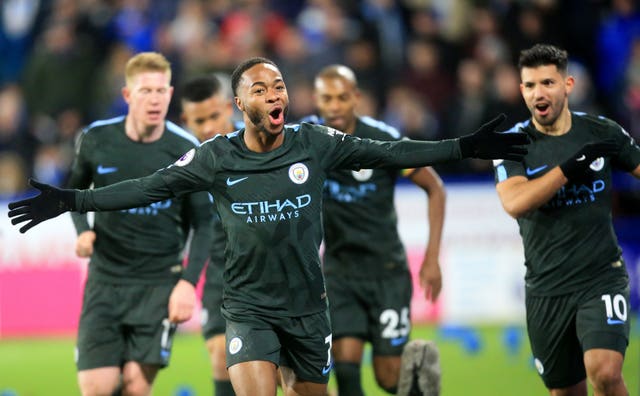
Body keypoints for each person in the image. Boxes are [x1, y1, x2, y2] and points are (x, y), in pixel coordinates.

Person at [8, 56, 529, 396]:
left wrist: (464, 146)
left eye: (279, 86)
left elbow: (391, 151)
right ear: (242, 104)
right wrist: (72, 200)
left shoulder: (314, 143)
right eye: (262, 89)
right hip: (249, 307)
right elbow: (148, 187)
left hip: (307, 306)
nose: (275, 95)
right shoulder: (216, 156)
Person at [493, 44, 640, 396]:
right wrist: (570, 168)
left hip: (601, 276)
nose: (538, 93)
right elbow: (515, 202)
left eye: (547, 82)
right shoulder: (511, 144)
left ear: (568, 85)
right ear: (521, 91)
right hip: (547, 289)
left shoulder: (601, 132)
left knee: (604, 372)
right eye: (530, 86)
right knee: (566, 392)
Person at [67, 52, 213, 396]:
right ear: (128, 95)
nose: (155, 99)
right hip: (106, 280)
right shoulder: (96, 140)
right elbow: (72, 194)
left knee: (135, 386)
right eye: (146, 91)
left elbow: (204, 224)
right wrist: (82, 230)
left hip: (158, 284)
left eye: (161, 91)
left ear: (170, 93)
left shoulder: (185, 149)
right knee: (97, 388)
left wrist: (188, 284)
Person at [306, 64, 444, 395]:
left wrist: (432, 258)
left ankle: (421, 380)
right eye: (327, 98)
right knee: (345, 359)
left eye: (342, 97)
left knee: (387, 377)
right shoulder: (308, 142)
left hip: (387, 272)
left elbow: (435, 188)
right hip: (339, 272)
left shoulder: (382, 140)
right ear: (316, 100)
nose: (335, 106)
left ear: (356, 98)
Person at [179, 74, 243, 396]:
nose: (206, 127)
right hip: (220, 276)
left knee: (292, 379)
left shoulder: (259, 144)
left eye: (213, 116)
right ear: (185, 120)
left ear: (230, 107)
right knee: (221, 356)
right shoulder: (185, 163)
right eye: (198, 120)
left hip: (271, 274)